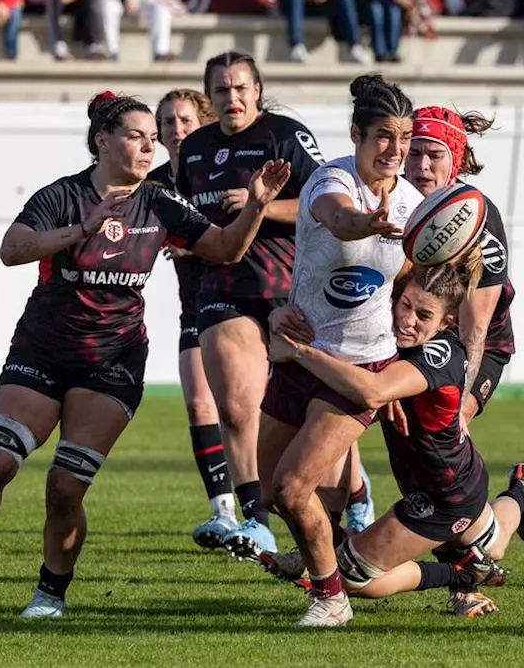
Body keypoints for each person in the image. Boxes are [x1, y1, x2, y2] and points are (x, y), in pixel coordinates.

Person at [0, 92, 291, 616]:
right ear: (103, 141)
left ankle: (50, 594)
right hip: (43, 351)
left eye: (152, 138)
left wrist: (257, 203)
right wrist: (82, 229)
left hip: (113, 361)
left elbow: (227, 248)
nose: (150, 146)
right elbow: (11, 249)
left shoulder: (161, 201)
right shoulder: (64, 195)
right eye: (137, 136)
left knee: (63, 487)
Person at [261, 259, 524, 627]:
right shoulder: (393, 336)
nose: (407, 320)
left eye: (423, 315)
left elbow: (373, 390)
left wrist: (300, 351)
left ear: (446, 323)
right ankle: (522, 491)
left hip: (447, 496)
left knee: (352, 577)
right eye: (405, 305)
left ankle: (461, 573)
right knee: (493, 541)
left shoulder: (439, 353)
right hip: (444, 478)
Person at [173, 50, 366, 559]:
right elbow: (184, 214)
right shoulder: (194, 149)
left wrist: (259, 202)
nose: (232, 97)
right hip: (223, 288)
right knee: (236, 408)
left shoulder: (285, 135)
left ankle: (355, 495)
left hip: (290, 289)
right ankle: (255, 520)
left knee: (313, 413)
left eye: (240, 87)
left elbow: (324, 199)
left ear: (257, 90)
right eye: (221, 90)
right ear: (211, 97)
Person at [255, 73, 420, 628]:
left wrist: (404, 365)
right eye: (382, 136)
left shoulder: (418, 206)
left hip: (360, 367)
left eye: (403, 138)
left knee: (292, 486)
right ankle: (350, 552)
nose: (394, 150)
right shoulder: (330, 181)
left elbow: (414, 289)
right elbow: (335, 217)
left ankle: (331, 598)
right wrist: (365, 222)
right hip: (299, 351)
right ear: (356, 133)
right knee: (272, 490)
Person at [403, 104, 517, 616]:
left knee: (439, 459)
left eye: (434, 155)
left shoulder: (477, 217)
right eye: (413, 153)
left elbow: (473, 328)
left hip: (473, 351)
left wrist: (463, 403)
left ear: (457, 160)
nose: (421, 166)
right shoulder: (397, 202)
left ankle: (466, 582)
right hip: (412, 345)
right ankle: (326, 547)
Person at [147, 88, 242, 548]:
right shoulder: (156, 185)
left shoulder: (224, 170)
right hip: (196, 305)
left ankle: (355, 490)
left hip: (247, 303)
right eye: (167, 122)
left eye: (184, 120)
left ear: (204, 123)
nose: (176, 129)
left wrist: (195, 242)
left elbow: (243, 234)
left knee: (265, 412)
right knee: (200, 404)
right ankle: (224, 512)